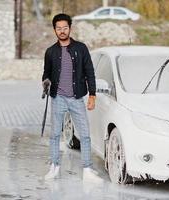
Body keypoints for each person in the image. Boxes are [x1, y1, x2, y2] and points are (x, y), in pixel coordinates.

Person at [42, 13, 103, 183]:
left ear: (70, 28)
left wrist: (92, 94)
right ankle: (54, 167)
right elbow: (46, 73)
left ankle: (88, 170)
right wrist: (45, 81)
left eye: (65, 28)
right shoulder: (50, 52)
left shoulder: (81, 48)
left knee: (84, 135)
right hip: (58, 98)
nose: (62, 31)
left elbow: (90, 72)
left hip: (77, 98)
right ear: (55, 30)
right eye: (58, 28)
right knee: (54, 135)